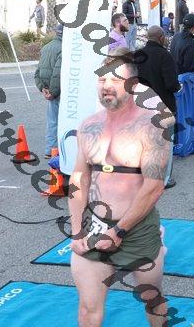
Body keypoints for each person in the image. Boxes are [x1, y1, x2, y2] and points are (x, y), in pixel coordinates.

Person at [69, 47, 170, 327]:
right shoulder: (88, 127)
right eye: (102, 80)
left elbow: (154, 187)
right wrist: (76, 230)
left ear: (133, 84)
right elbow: (79, 179)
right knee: (88, 309)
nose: (107, 86)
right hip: (93, 227)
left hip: (137, 230)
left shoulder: (152, 127)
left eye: (115, 79)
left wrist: (118, 232)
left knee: (152, 299)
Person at [136, 26, 181, 189]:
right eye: (165, 36)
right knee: (165, 143)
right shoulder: (165, 56)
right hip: (163, 105)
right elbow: (171, 84)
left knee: (145, 141)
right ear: (161, 37)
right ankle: (164, 178)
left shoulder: (138, 54)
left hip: (142, 104)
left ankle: (144, 174)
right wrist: (178, 87)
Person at [34, 24, 63, 159]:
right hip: (58, 92)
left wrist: (43, 89)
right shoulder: (64, 48)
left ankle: (49, 150)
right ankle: (58, 151)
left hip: (49, 90)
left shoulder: (46, 47)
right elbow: (57, 74)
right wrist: (53, 92)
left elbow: (37, 71)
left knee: (52, 122)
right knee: (61, 122)